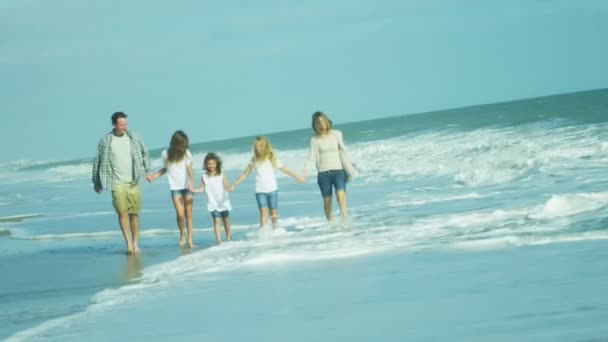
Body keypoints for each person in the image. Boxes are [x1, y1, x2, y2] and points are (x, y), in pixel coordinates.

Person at [92, 111, 152, 254]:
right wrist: (96, 181)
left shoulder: (133, 137)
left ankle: (136, 243)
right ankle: (129, 244)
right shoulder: (106, 140)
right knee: (122, 212)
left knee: (134, 213)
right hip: (116, 181)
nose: (124, 126)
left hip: (134, 180)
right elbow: (98, 161)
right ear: (114, 124)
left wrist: (148, 171)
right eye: (121, 124)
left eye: (126, 123)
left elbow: (145, 153)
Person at [231, 136, 304, 230]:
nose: (257, 148)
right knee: (263, 211)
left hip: (272, 189)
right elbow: (245, 174)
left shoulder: (271, 158)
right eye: (256, 146)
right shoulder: (254, 160)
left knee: (273, 212)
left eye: (260, 146)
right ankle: (264, 233)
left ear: (265, 146)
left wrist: (297, 176)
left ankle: (275, 230)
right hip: (260, 190)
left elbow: (284, 169)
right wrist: (234, 185)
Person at [301, 111, 357, 227]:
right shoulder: (314, 140)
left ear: (326, 121)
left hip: (338, 171)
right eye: (317, 123)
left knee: (341, 198)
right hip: (323, 174)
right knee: (327, 201)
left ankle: (345, 223)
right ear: (315, 125)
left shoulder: (337, 134)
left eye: (322, 121)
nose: (321, 124)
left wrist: (351, 164)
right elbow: (311, 157)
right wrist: (304, 172)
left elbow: (343, 151)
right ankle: (332, 226)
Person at [148, 130, 195, 248]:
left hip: (187, 187)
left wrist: (191, 183)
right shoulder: (165, 154)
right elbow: (165, 168)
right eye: (182, 143)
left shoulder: (187, 153)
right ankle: (182, 235)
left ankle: (190, 240)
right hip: (175, 188)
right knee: (180, 214)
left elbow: (190, 169)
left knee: (188, 213)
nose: (184, 146)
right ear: (175, 143)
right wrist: (154, 176)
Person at [191, 152, 232, 244]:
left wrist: (229, 188)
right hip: (213, 202)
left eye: (213, 163)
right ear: (206, 165)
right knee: (217, 221)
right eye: (209, 164)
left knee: (226, 220)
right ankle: (219, 240)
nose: (211, 166)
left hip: (223, 201)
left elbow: (226, 184)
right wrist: (193, 190)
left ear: (217, 163)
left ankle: (229, 237)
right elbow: (202, 189)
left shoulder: (221, 173)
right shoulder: (204, 176)